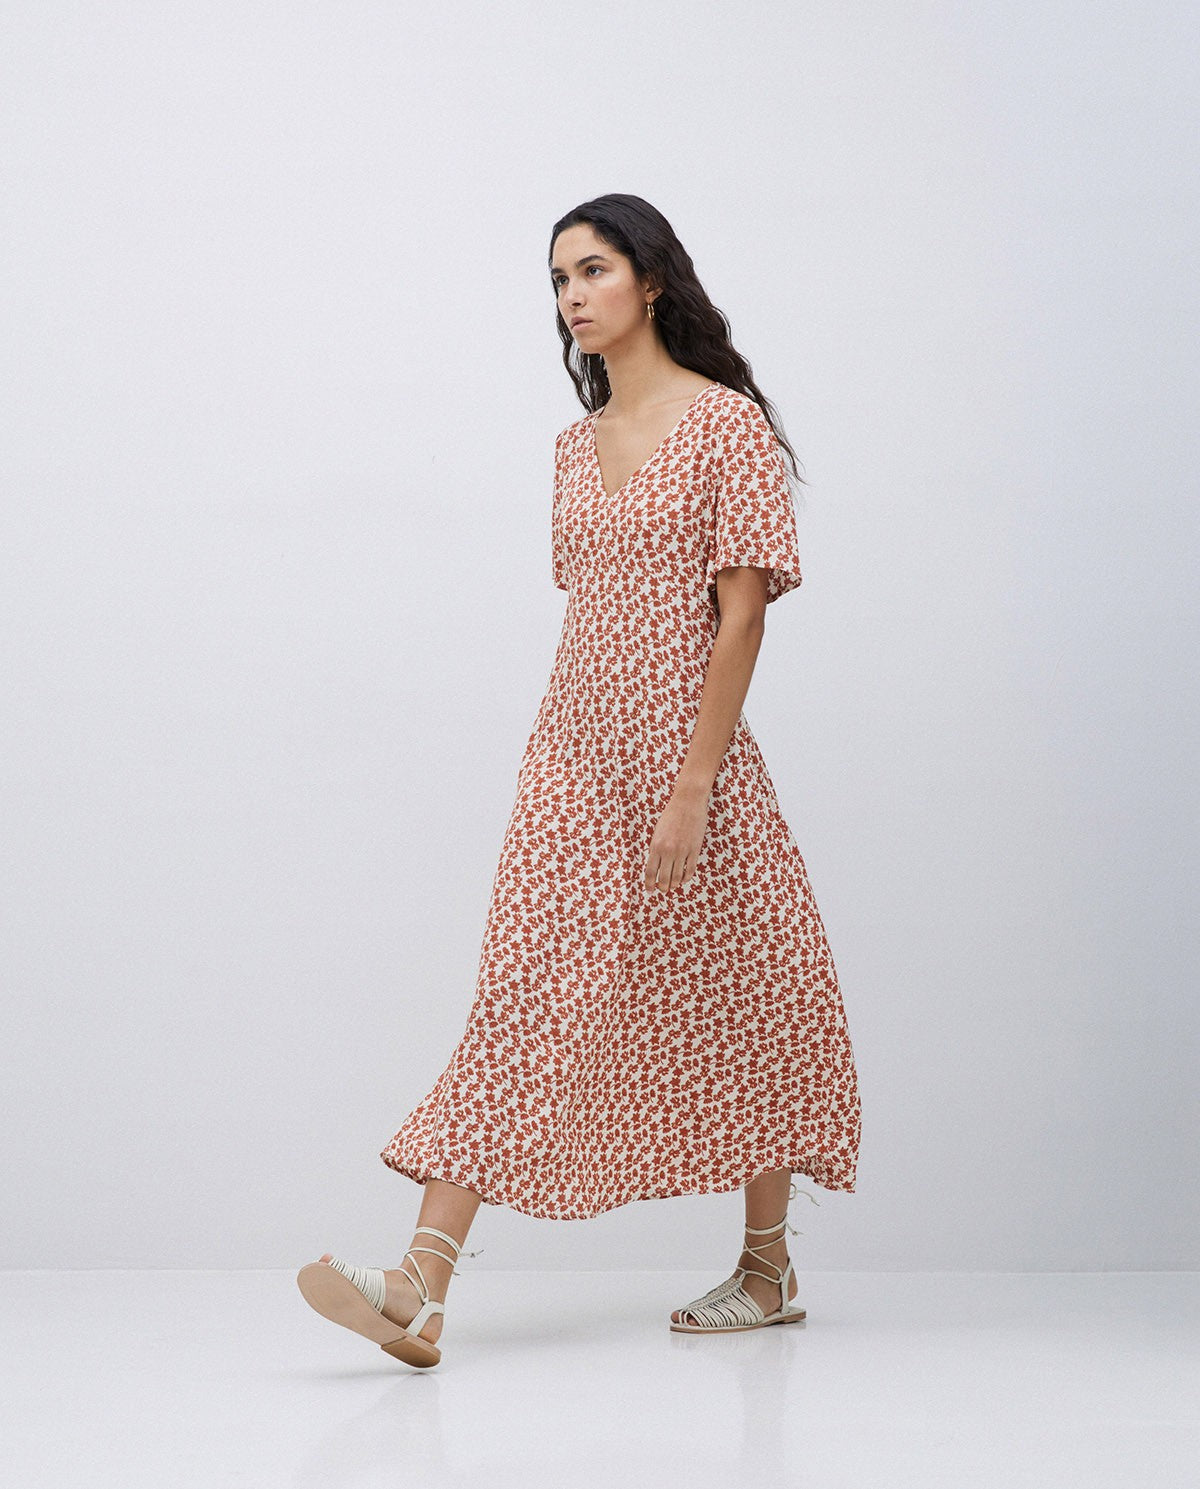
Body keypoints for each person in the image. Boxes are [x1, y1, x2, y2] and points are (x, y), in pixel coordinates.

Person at [297, 193, 862, 1369]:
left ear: (651, 280)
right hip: (572, 762)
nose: (572, 297)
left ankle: (767, 1268)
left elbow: (742, 617)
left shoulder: (726, 426)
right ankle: (420, 1283)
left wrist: (694, 785)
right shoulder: (573, 447)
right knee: (523, 996)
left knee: (751, 987)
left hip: (691, 762)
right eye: (559, 280)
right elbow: (595, 614)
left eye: (593, 270)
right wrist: (577, 761)